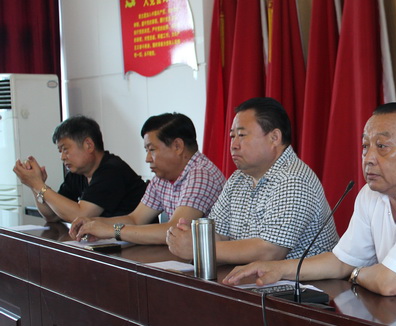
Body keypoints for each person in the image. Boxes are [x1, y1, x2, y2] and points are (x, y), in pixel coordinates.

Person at [224, 102, 396, 309]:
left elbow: (388, 282)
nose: (368, 158)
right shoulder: (373, 193)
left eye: (382, 146)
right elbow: (342, 260)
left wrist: (355, 274)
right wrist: (278, 269)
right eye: (365, 146)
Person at [166, 97, 338, 264]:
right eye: (232, 136)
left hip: (304, 282)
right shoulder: (238, 179)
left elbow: (270, 251)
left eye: (242, 135)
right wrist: (193, 238)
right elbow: (219, 234)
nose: (234, 145)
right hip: (253, 277)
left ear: (274, 137)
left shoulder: (293, 179)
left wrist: (200, 248)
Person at [69, 113, 226, 244]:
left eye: (152, 150)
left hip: (217, 261)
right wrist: (94, 223)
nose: (148, 159)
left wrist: (112, 231)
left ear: (178, 146)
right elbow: (135, 219)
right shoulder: (163, 176)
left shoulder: (201, 174)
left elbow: (173, 229)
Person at [12, 115, 146, 222]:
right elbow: (52, 215)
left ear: (88, 145)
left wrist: (38, 185)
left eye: (65, 149)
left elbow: (81, 215)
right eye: (60, 151)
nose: (62, 157)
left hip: (138, 244)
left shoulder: (112, 170)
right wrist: (34, 185)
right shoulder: (78, 173)